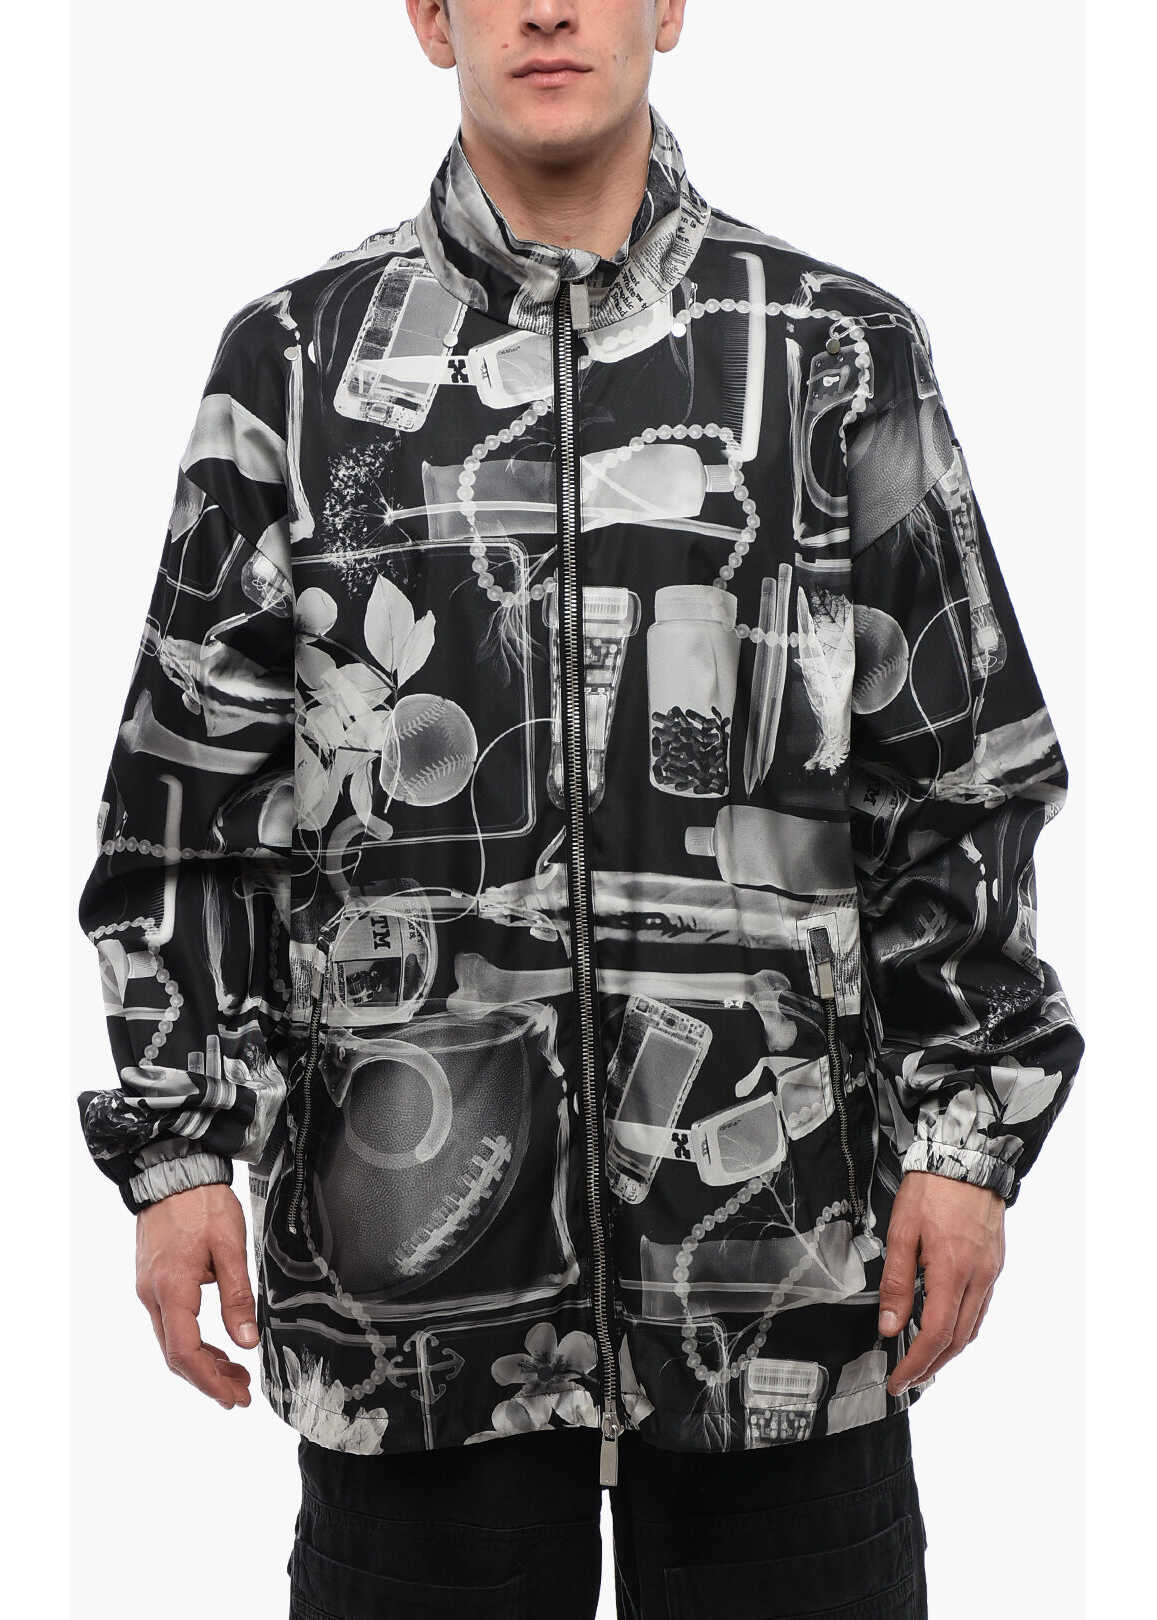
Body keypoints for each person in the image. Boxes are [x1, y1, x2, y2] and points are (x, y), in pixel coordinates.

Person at [74, 2, 1085, 1615]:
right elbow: (185, 810)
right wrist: (180, 1149)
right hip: (408, 1277)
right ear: (430, 17)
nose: (547, 8)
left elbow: (960, 780)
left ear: (668, 6)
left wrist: (967, 1138)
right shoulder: (294, 363)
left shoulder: (831, 351)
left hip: (784, 1265)